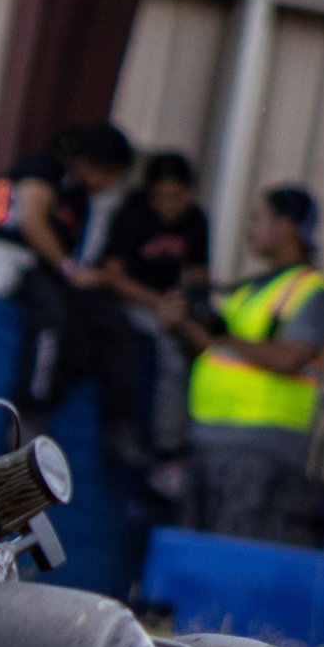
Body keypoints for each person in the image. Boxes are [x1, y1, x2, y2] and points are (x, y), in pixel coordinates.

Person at [160, 184, 324, 544]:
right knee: (195, 550)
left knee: (234, 552)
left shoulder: (310, 291)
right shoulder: (247, 290)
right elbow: (211, 352)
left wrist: (222, 338)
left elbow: (290, 357)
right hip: (209, 438)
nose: (251, 228)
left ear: (285, 225)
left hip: (260, 445)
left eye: (260, 218)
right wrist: (180, 326)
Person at [0, 121, 143, 456]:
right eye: (110, 174)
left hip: (47, 271)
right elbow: (33, 222)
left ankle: (119, 425)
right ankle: (29, 413)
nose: (110, 185)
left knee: (107, 322)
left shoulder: (79, 195)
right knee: (52, 315)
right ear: (90, 163)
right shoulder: (45, 169)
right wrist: (70, 270)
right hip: (6, 260)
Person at [100, 150, 212, 465]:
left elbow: (198, 275)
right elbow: (113, 276)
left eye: (176, 197)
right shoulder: (132, 216)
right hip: (132, 300)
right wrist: (162, 304)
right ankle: (168, 447)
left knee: (204, 342)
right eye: (161, 197)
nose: (168, 206)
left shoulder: (195, 220)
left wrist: (189, 305)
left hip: (171, 302)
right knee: (170, 350)